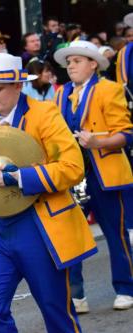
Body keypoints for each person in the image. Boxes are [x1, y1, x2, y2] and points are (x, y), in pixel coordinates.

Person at [0, 52, 96, 332]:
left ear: (18, 85)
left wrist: (19, 177)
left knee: (57, 312)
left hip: (41, 225)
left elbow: (73, 167)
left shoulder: (44, 113)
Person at [53, 40, 133, 312]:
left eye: (76, 61)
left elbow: (127, 133)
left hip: (105, 174)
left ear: (92, 64)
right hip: (73, 174)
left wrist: (99, 143)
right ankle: (76, 295)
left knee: (115, 233)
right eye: (68, 62)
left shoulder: (109, 89)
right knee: (69, 235)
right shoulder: (60, 93)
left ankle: (126, 288)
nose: (70, 66)